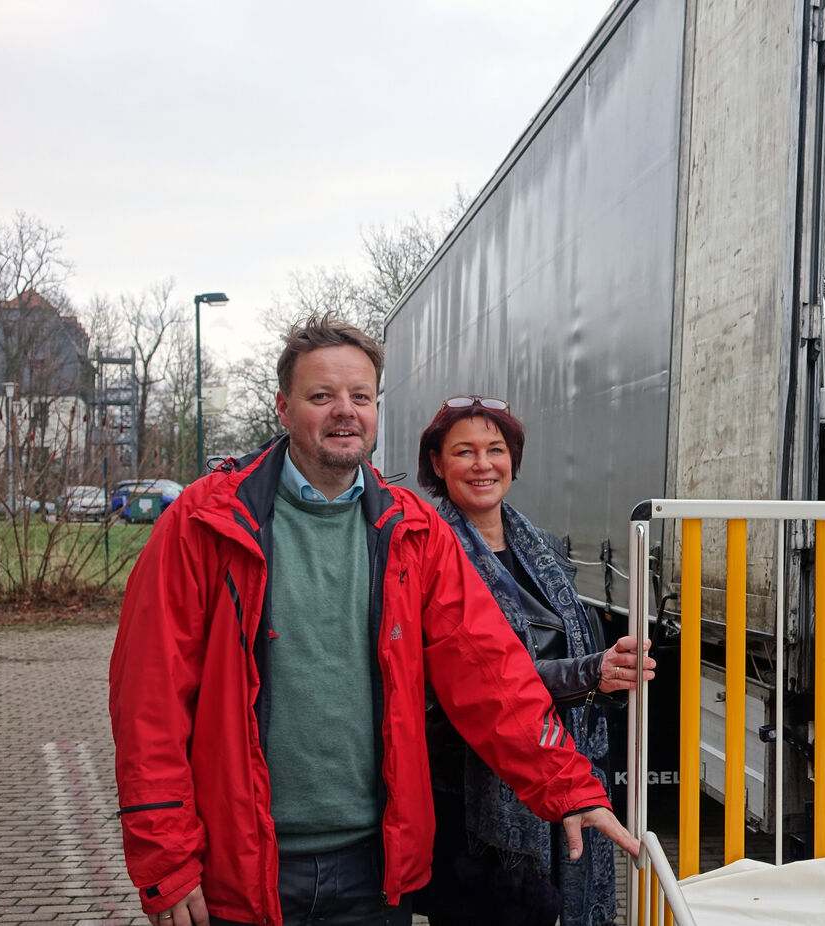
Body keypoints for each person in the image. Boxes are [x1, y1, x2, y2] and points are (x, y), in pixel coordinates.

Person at [108, 314, 635, 926]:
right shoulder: (203, 524)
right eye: (322, 396)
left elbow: (489, 672)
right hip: (242, 867)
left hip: (375, 869)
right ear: (283, 407)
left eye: (360, 396)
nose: (344, 412)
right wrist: (166, 859)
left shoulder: (413, 531)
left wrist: (565, 784)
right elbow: (150, 701)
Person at [412, 395, 656, 926]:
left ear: (513, 460)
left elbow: (560, 650)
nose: (483, 465)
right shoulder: (427, 549)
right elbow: (482, 673)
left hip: (557, 765)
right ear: (437, 462)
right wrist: (590, 672)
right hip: (473, 797)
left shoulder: (540, 546)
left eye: (495, 449)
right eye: (464, 451)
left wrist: (603, 665)